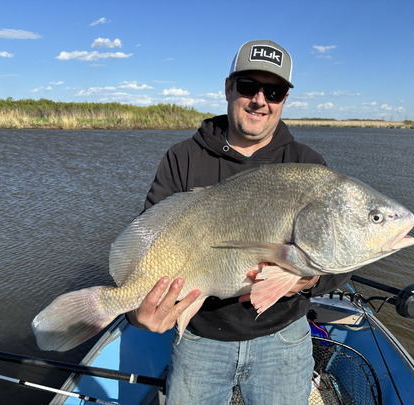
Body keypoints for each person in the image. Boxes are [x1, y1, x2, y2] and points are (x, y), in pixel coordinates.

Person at [126, 40, 351, 404]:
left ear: (284, 99)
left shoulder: (307, 165)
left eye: (274, 91)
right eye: (248, 86)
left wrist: (309, 279)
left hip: (283, 338)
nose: (260, 100)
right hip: (199, 339)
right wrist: (140, 313)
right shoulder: (183, 157)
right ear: (229, 87)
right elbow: (150, 245)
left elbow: (341, 258)